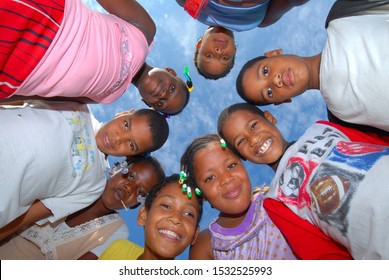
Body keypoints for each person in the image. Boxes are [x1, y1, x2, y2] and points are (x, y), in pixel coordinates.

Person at [218, 102, 389, 259]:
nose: (253, 139)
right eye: (241, 141)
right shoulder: (274, 201)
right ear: (242, 156)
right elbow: (322, 255)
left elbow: (377, 143)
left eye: (254, 126)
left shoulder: (320, 128)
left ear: (270, 118)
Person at [0, 100, 169, 241]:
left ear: (133, 155)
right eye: (126, 125)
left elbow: (29, 216)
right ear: (124, 112)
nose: (118, 138)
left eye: (131, 145)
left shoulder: (93, 186)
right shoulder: (78, 103)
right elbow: (17, 97)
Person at [0, 0, 192, 115]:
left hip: (19, 75)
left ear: (145, 102)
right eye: (172, 89)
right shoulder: (146, 30)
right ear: (170, 71)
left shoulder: (107, 97)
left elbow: (43, 96)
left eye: (160, 104)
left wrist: (6, 97)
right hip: (48, 17)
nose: (163, 95)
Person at [235, 0, 389, 132]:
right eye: (269, 92)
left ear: (274, 53)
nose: (276, 81)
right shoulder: (342, 120)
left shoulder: (342, 16)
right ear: (283, 101)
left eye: (266, 71)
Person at [0, 156, 165, 260]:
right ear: (118, 167)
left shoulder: (117, 232)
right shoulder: (78, 179)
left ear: (136, 204)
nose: (130, 188)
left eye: (140, 192)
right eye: (130, 175)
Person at [180, 134, 297, 260]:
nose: (226, 179)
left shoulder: (280, 200)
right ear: (202, 195)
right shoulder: (206, 245)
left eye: (231, 166)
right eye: (210, 178)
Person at [176, 0, 309, 80]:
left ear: (199, 45)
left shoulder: (192, 7)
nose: (218, 51)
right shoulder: (262, 21)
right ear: (234, 50)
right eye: (225, 58)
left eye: (209, 55)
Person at [99, 174, 203, 260]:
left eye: (188, 214)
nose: (176, 218)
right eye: (166, 206)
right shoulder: (116, 250)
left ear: (194, 235)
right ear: (144, 215)